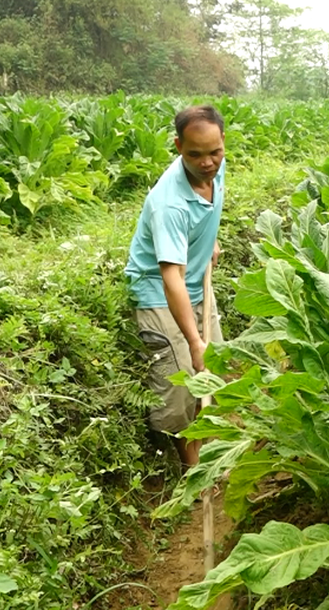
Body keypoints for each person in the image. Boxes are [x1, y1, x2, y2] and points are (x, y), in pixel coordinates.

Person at [125, 105, 225, 467]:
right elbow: (171, 280)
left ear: (222, 141)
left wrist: (208, 238)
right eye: (195, 154)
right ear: (178, 145)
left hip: (197, 283)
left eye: (214, 151)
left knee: (213, 374)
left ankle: (209, 451)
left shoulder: (215, 166)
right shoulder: (168, 204)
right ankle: (190, 467)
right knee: (181, 386)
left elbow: (208, 207)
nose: (208, 162)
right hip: (160, 293)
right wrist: (195, 342)